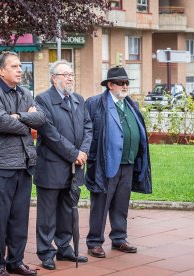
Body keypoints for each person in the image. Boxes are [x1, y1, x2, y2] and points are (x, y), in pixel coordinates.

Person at [0, 51, 45, 276]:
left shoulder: (25, 92)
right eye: (15, 66)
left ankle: (15, 261)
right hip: (0, 165)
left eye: (20, 66)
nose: (20, 70)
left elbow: (41, 119)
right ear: (1, 71)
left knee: (20, 217)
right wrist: (25, 121)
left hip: (24, 163)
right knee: (0, 218)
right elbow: (1, 123)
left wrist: (17, 117)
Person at [85, 66, 152, 258]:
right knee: (101, 203)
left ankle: (119, 238)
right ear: (110, 85)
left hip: (128, 163)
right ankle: (94, 242)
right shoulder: (96, 103)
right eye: (121, 83)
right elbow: (88, 131)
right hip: (105, 163)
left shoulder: (130, 104)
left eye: (127, 83)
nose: (125, 86)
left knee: (122, 203)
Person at [34, 60, 92, 270]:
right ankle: (46, 252)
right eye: (65, 74)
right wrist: (73, 153)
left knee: (67, 210)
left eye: (71, 74)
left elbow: (88, 127)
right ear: (54, 78)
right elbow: (50, 134)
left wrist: (83, 152)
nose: (70, 78)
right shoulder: (42, 100)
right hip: (51, 167)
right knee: (47, 214)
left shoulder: (78, 99)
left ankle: (64, 247)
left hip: (74, 167)